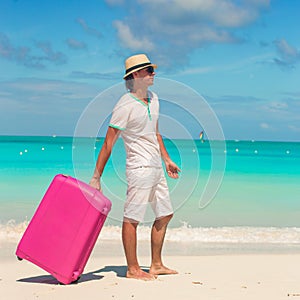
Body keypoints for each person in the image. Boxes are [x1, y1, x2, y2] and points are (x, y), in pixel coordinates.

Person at [89, 54, 180, 281]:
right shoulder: (124, 105)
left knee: (166, 214)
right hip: (138, 168)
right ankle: (132, 269)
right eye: (149, 70)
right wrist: (96, 177)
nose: (153, 73)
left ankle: (156, 264)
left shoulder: (154, 98)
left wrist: (167, 159)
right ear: (136, 74)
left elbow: (155, 133)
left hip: (156, 167)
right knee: (132, 219)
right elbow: (109, 142)